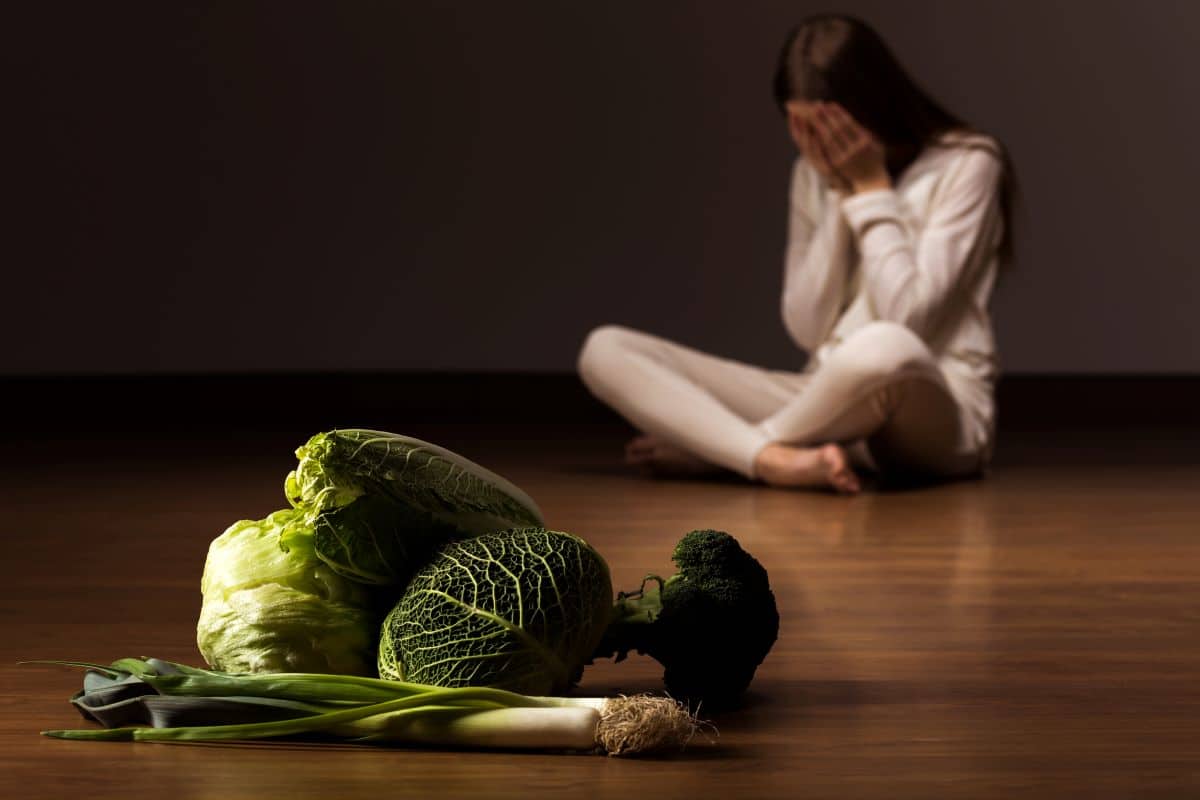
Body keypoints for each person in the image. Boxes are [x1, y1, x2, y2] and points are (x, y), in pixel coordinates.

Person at [576, 13, 1019, 494]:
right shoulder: (811, 174)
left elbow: (909, 318)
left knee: (883, 345)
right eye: (802, 129)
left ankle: (730, 453)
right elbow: (808, 326)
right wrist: (835, 187)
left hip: (932, 409)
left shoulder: (970, 161)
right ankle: (771, 457)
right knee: (605, 349)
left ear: (873, 106)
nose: (818, 145)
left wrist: (869, 188)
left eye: (829, 129)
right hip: (827, 400)